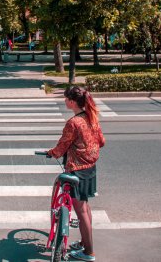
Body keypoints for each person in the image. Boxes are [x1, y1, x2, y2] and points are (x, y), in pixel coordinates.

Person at [46, 86, 105, 262]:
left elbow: (62, 145)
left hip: (76, 169)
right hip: (90, 168)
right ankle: (84, 242)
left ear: (72, 102)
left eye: (65, 99)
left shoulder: (73, 123)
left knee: (81, 211)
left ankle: (88, 252)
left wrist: (52, 153)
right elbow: (101, 141)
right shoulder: (91, 117)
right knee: (85, 207)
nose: (64, 101)